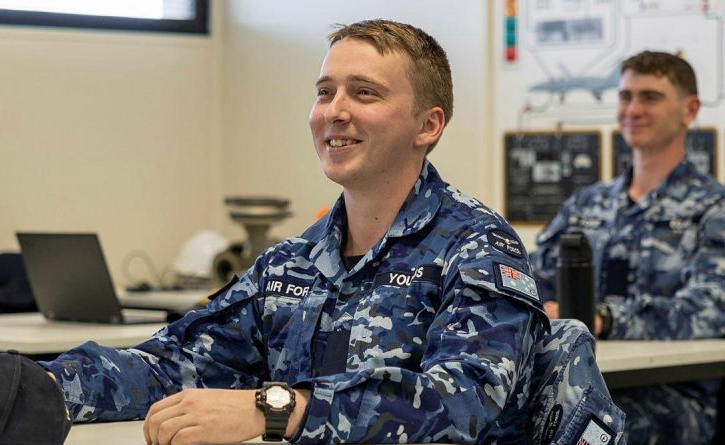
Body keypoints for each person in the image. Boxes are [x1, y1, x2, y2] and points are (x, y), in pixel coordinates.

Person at [39, 20, 617, 444]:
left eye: (364, 93)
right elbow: (172, 365)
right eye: (324, 92)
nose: (333, 111)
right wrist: (36, 385)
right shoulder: (291, 263)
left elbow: (457, 406)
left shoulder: (477, 250)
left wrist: (276, 409)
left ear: (428, 125)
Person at [530, 50, 725, 444]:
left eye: (650, 97)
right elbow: (533, 279)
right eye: (625, 96)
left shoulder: (713, 208)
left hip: (671, 394)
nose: (633, 109)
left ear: (689, 110)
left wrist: (603, 318)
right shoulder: (588, 203)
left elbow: (709, 312)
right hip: (575, 376)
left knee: (579, 432)